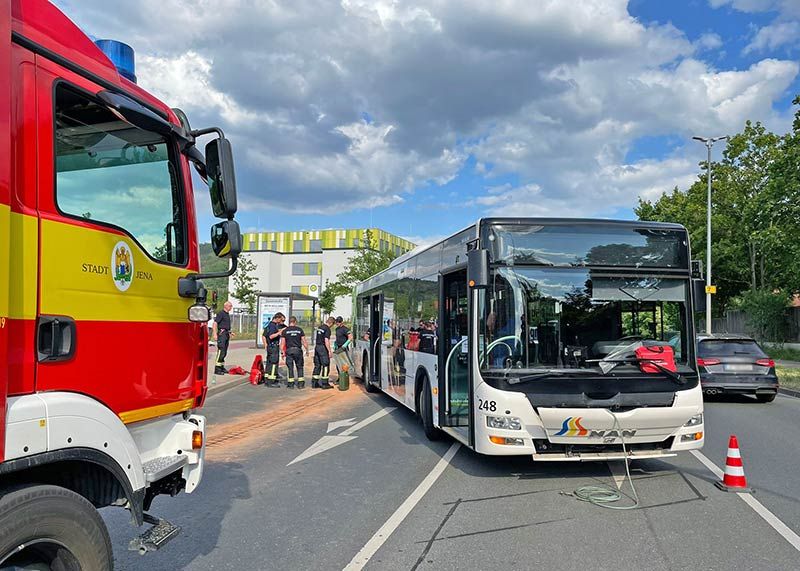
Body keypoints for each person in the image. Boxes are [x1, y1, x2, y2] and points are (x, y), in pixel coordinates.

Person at [282, 316, 308, 389]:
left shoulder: (285, 331)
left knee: (290, 367)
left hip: (289, 350)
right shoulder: (299, 330)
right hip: (298, 350)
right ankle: (301, 384)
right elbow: (304, 341)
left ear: (289, 322)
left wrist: (282, 352)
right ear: (295, 322)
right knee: (299, 367)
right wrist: (307, 350)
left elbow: (282, 343)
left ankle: (291, 384)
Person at [261, 312, 285, 386]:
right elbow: (271, 336)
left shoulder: (270, 325)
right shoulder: (272, 326)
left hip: (270, 347)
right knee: (273, 363)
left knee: (269, 362)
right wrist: (279, 332)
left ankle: (266, 378)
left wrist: (265, 344)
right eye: (281, 320)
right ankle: (271, 380)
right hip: (273, 346)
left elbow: (264, 335)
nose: (281, 322)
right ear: (277, 318)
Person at [312, 317, 335, 389]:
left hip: (317, 347)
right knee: (326, 364)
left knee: (317, 365)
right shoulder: (327, 329)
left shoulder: (320, 327)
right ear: (331, 323)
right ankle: (325, 383)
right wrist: (329, 351)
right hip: (322, 348)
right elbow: (326, 340)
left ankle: (315, 383)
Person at [212, 301, 233, 374]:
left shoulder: (227, 314)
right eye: (230, 306)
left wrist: (230, 332)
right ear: (226, 306)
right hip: (222, 334)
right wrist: (215, 334)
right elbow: (215, 323)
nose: (231, 307)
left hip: (226, 333)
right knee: (221, 351)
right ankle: (217, 369)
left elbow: (225, 325)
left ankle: (221, 367)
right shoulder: (221, 313)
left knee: (224, 352)